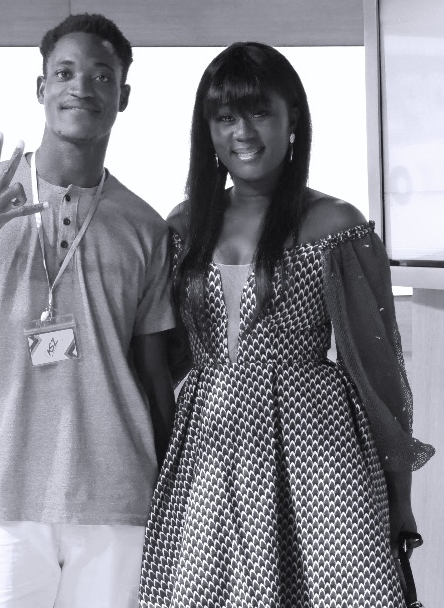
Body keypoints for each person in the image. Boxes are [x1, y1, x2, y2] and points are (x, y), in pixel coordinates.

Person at [139, 42, 435, 607]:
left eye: (259, 112)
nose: (242, 133)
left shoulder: (336, 224)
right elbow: (164, 357)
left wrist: (399, 496)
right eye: (225, 117)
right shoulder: (183, 225)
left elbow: (378, 375)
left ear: (292, 117)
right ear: (207, 129)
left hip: (318, 450)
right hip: (209, 450)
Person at [0, 13, 176, 608]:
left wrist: (172, 494)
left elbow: (154, 375)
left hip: (117, 504)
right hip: (3, 501)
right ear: (41, 88)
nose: (82, 87)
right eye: (65, 73)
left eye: (102, 76)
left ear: (123, 96)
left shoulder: (146, 227)